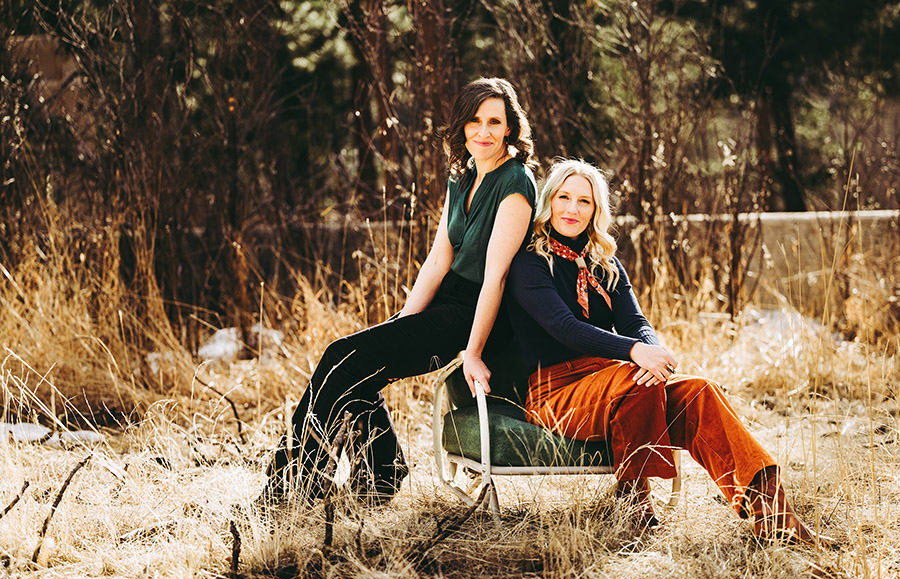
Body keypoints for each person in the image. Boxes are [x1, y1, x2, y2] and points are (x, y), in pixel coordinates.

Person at [507, 158, 832, 544]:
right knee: (635, 379)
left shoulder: (605, 263)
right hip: (556, 392)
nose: (572, 209)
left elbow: (636, 323)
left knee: (700, 392)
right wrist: (633, 353)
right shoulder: (528, 262)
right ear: (549, 201)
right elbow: (564, 328)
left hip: (617, 382)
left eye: (585, 201)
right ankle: (635, 504)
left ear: (597, 210)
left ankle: (776, 518)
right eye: (564, 197)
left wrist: (653, 354)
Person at [263, 78, 538, 505]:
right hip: (447, 304)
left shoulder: (516, 183)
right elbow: (437, 260)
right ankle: (381, 471)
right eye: (473, 121)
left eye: (494, 122)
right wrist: (404, 322)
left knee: (341, 356)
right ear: (461, 126)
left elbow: (496, 278)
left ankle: (289, 487)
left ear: (509, 128)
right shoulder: (463, 176)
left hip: (479, 316)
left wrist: (474, 350)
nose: (482, 132)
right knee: (356, 365)